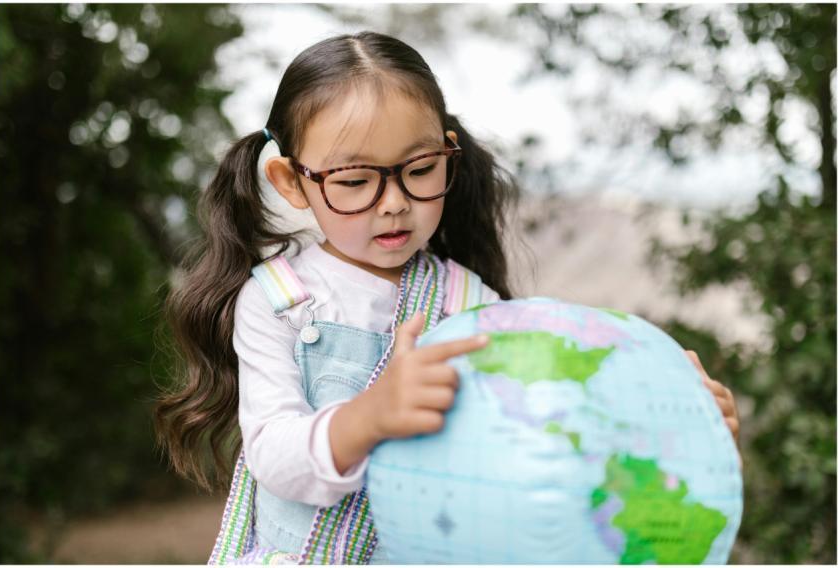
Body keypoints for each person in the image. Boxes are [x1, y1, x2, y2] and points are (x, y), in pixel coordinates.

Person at [154, 31, 740, 564]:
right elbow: (275, 457)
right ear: (292, 181)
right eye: (355, 180)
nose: (392, 203)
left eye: (420, 169)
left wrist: (679, 427)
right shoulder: (279, 301)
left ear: (447, 156)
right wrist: (369, 418)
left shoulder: (470, 303)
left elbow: (544, 425)